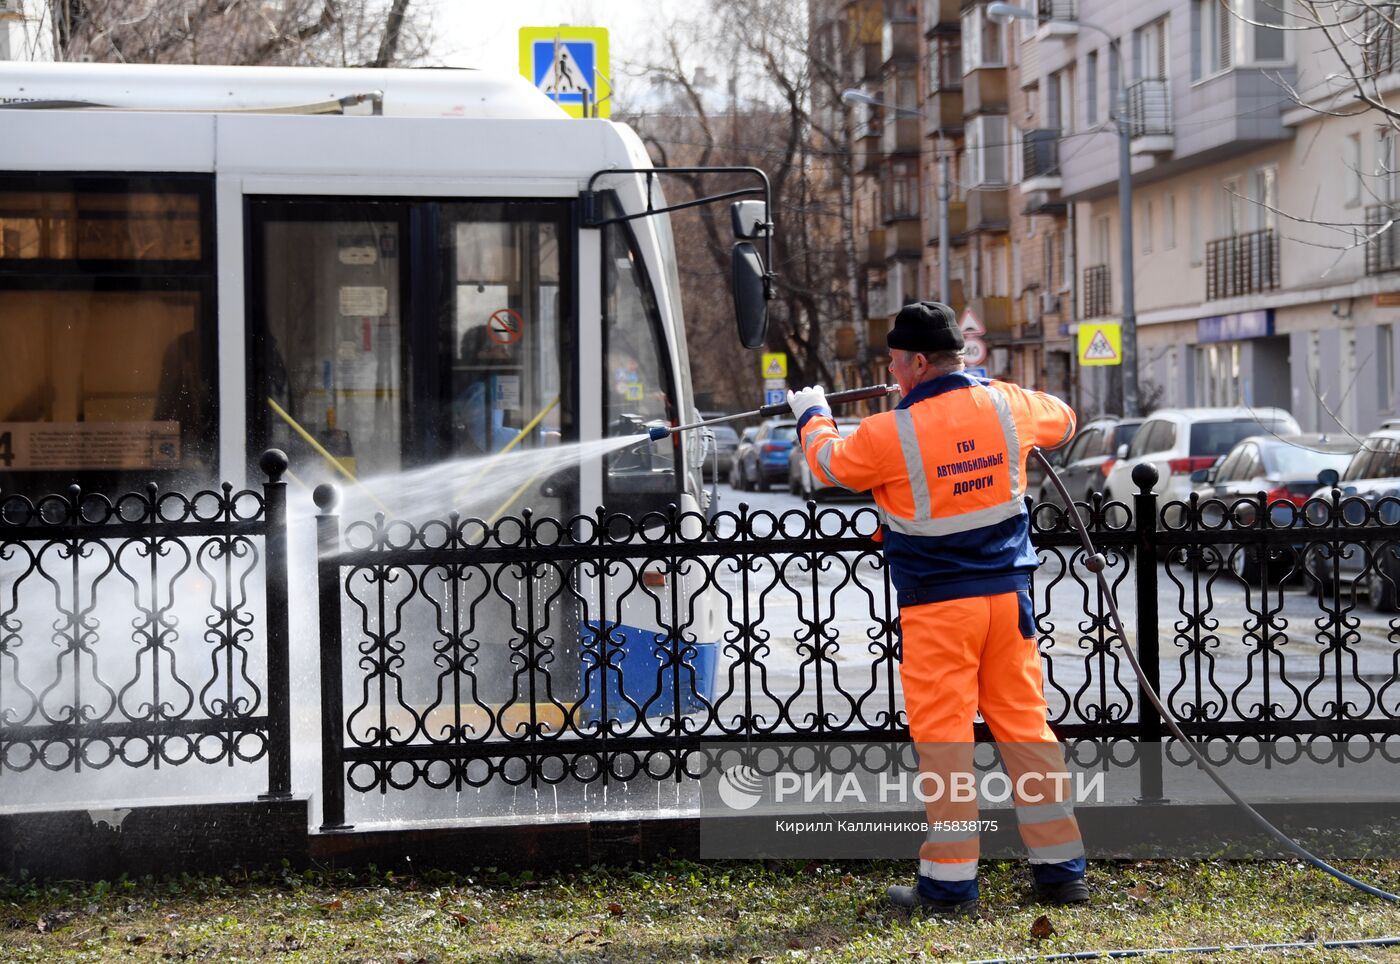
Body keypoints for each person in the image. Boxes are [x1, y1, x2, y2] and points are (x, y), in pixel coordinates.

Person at [787, 301, 1085, 915]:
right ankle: (1061, 873)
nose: (893, 376)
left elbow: (830, 464)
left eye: (897, 365)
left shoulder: (887, 434)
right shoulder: (1007, 404)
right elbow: (1065, 421)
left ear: (919, 362)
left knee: (946, 743)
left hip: (939, 609)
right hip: (1009, 603)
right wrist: (995, 398)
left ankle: (949, 886)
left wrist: (812, 414)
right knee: (1028, 731)